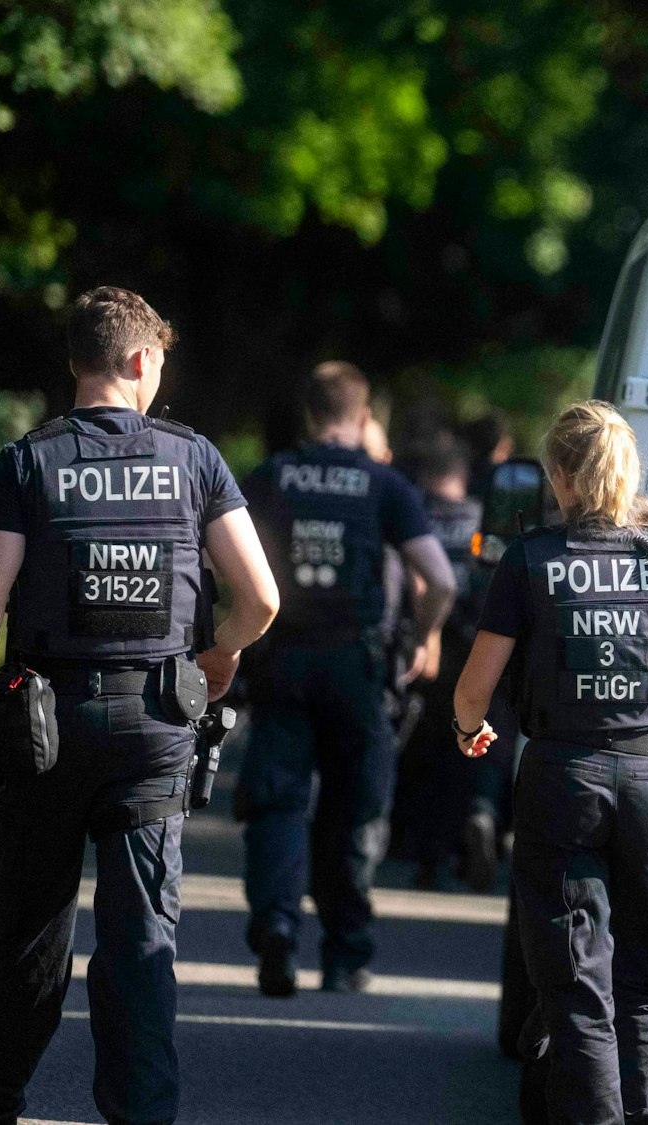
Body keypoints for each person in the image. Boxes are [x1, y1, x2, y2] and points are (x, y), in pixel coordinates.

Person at [0, 286, 280, 1125]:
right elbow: (260, 597)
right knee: (142, 939)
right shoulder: (195, 459)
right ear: (140, 359)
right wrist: (219, 653)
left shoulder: (26, 462)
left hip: (46, 730)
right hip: (156, 727)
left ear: (76, 361)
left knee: (30, 929)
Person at [452, 399, 648, 1125]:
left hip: (563, 782)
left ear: (560, 476)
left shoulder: (530, 561)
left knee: (579, 991)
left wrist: (469, 731)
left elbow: (474, 693)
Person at [234, 361, 456, 996]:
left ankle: (277, 924)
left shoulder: (271, 476)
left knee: (277, 800)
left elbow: (219, 555)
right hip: (356, 668)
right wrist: (425, 635)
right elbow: (440, 579)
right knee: (355, 809)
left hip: (282, 662)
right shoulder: (384, 484)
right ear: (363, 418)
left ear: (310, 415)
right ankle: (344, 954)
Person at [397, 433, 500, 891]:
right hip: (477, 647)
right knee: (471, 747)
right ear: (463, 475)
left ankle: (426, 855)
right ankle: (474, 821)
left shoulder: (415, 514)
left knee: (424, 754)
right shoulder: (481, 518)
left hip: (426, 647)